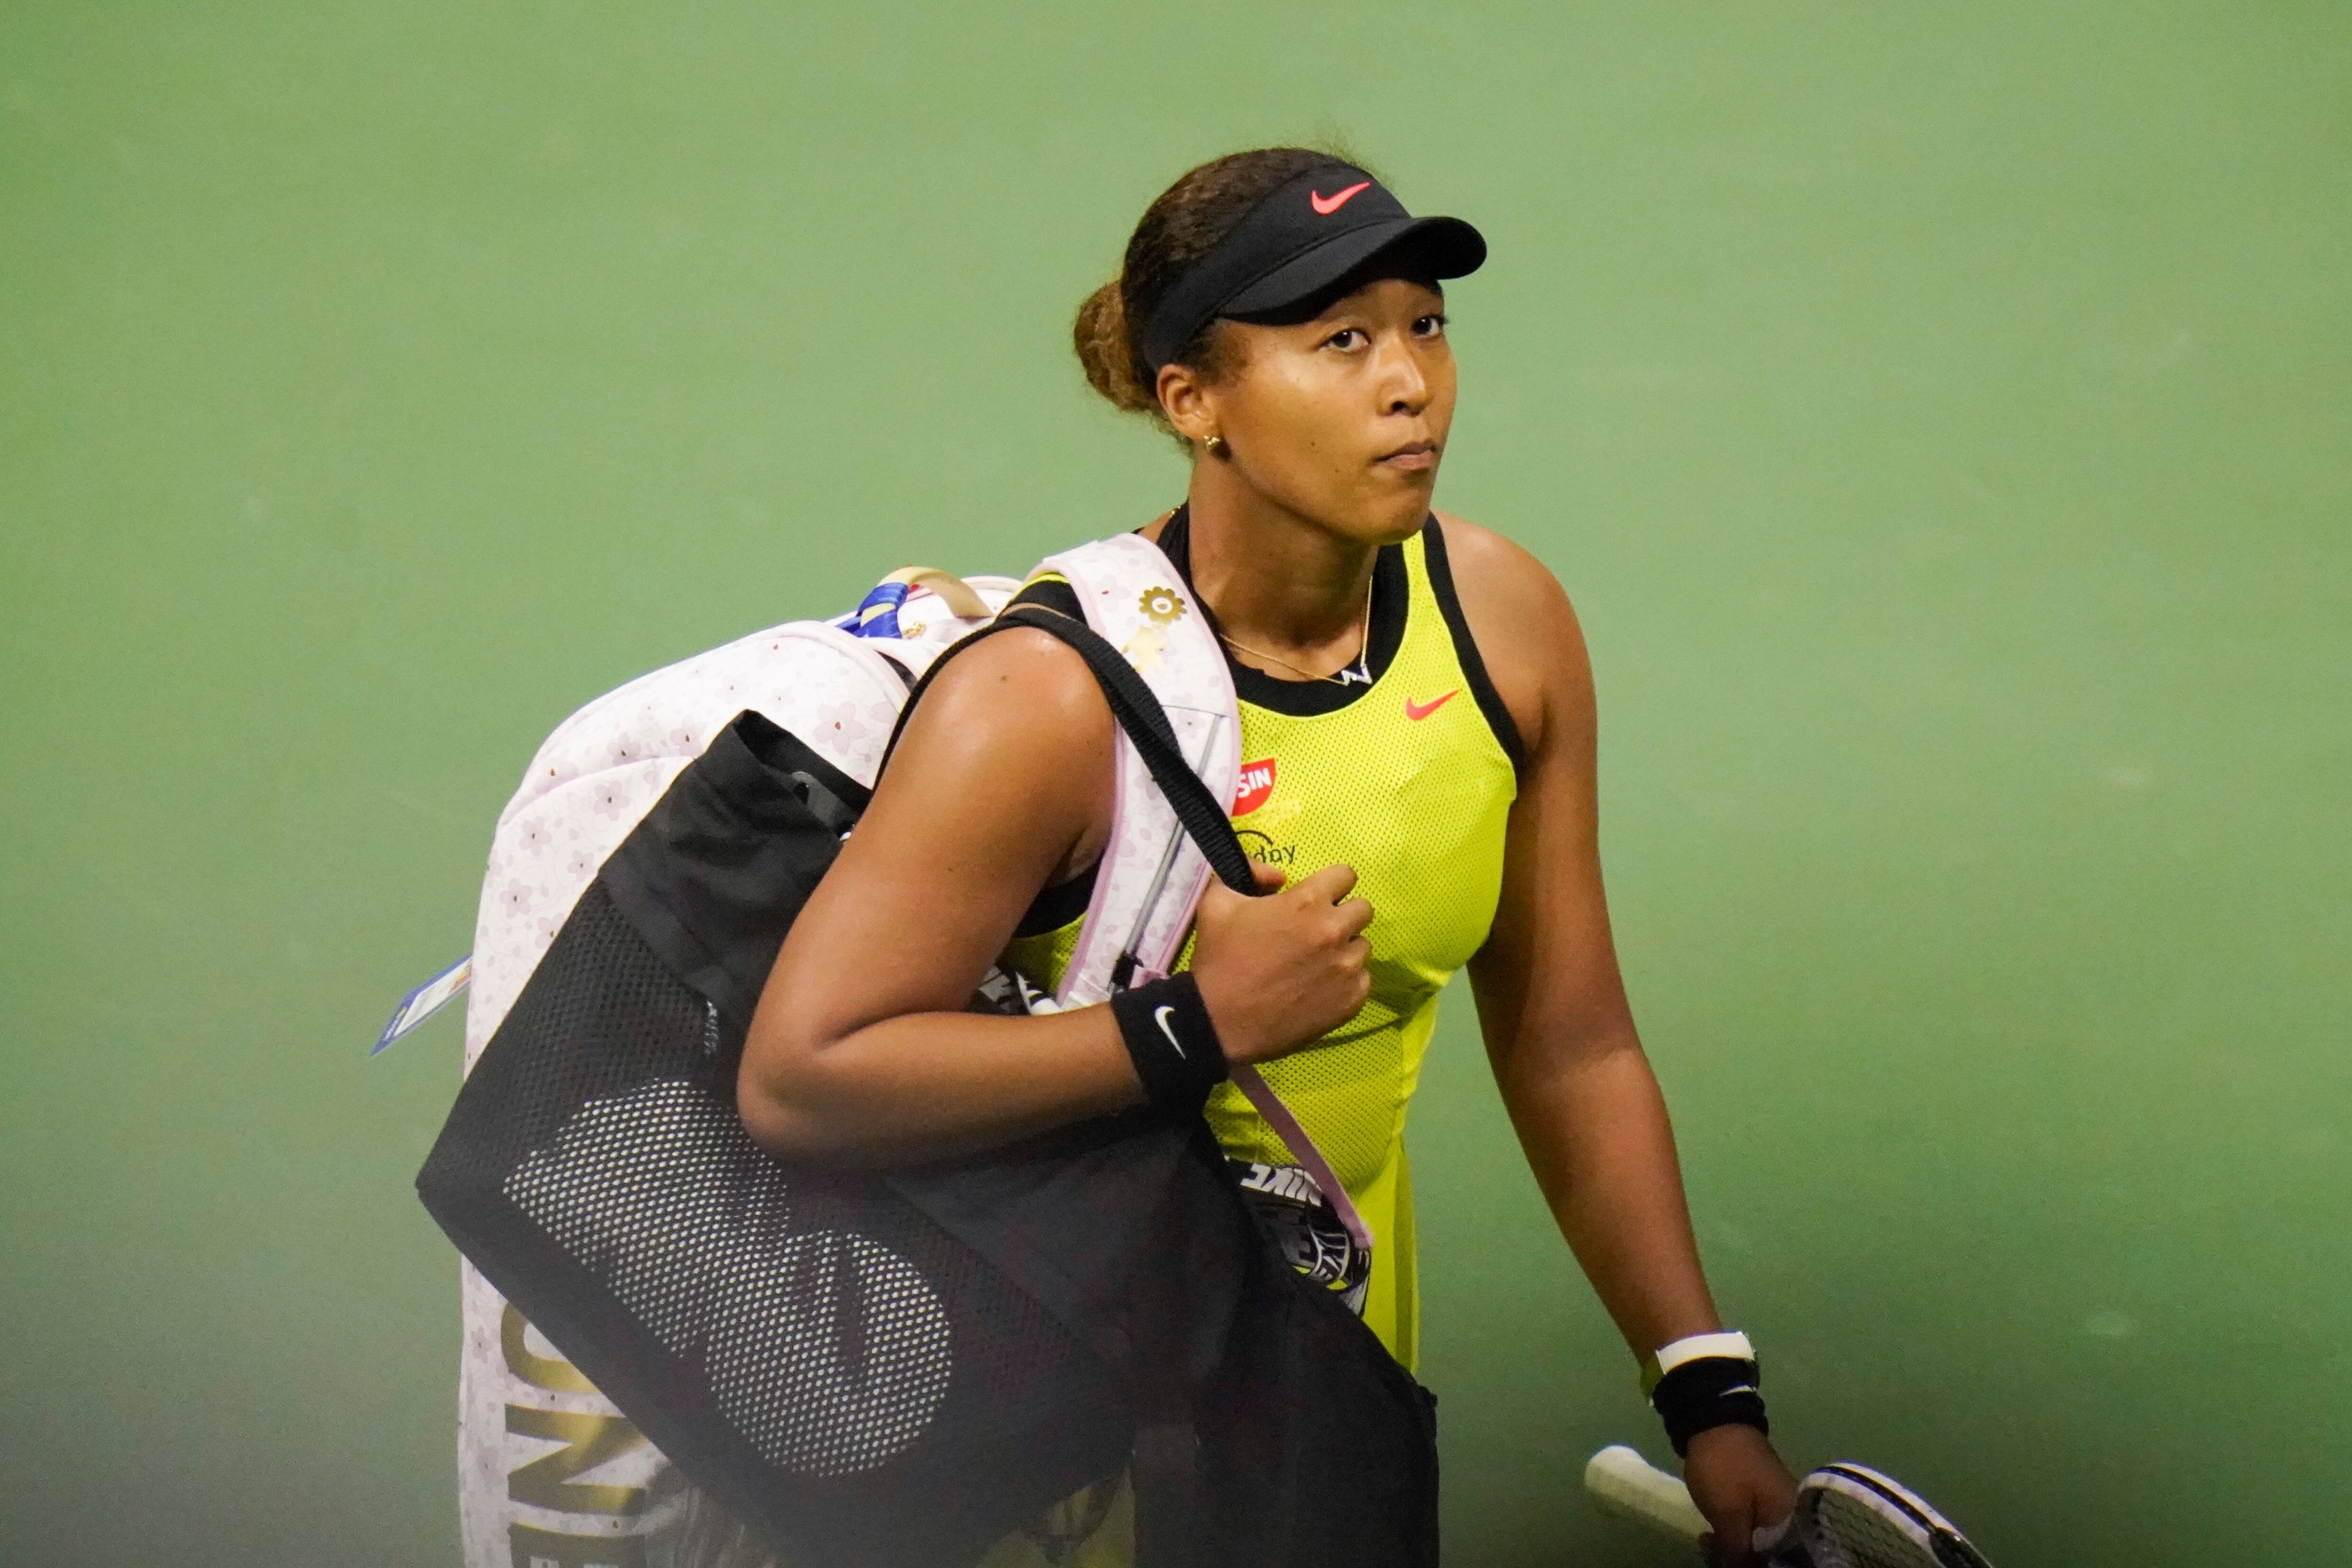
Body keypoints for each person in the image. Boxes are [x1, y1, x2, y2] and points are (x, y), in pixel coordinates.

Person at [737, 146, 1798, 1567]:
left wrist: (1703, 1381)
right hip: (1055, 1410)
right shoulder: (1044, 706)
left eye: (1426, 323)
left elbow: (1571, 1037)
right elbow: (804, 1077)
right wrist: (1196, 1024)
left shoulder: (1503, 622)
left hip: (1322, 1364)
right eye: (1340, 340)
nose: (1410, 380)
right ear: (1195, 401)